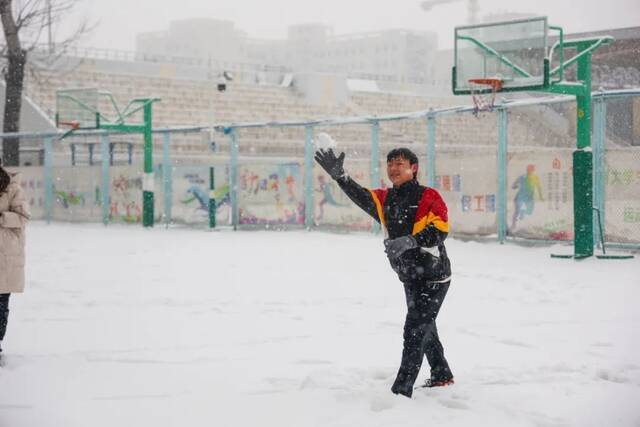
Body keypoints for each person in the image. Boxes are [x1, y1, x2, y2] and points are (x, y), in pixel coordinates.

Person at [314, 147, 453, 398]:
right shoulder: (385, 199)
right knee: (423, 323)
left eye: (400, 163)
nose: (394, 168)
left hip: (434, 277)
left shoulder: (429, 196)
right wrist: (340, 176)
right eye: (390, 163)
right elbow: (360, 195)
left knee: (414, 330)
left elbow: (441, 229)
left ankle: (401, 392)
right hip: (410, 276)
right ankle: (442, 373)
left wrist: (411, 241)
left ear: (414, 168)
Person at [0, 159, 30, 362]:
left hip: (5, 255)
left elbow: (23, 217)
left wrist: (1, 217)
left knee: (1, 304)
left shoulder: (12, 188)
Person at [511, 164, 544, 230]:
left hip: (529, 198)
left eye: (532, 170)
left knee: (529, 211)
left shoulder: (535, 178)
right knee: (517, 211)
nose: (530, 171)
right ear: (527, 170)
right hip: (520, 198)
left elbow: (539, 187)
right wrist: (516, 186)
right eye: (529, 170)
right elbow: (513, 185)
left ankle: (522, 212)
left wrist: (541, 196)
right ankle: (513, 225)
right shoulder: (522, 177)